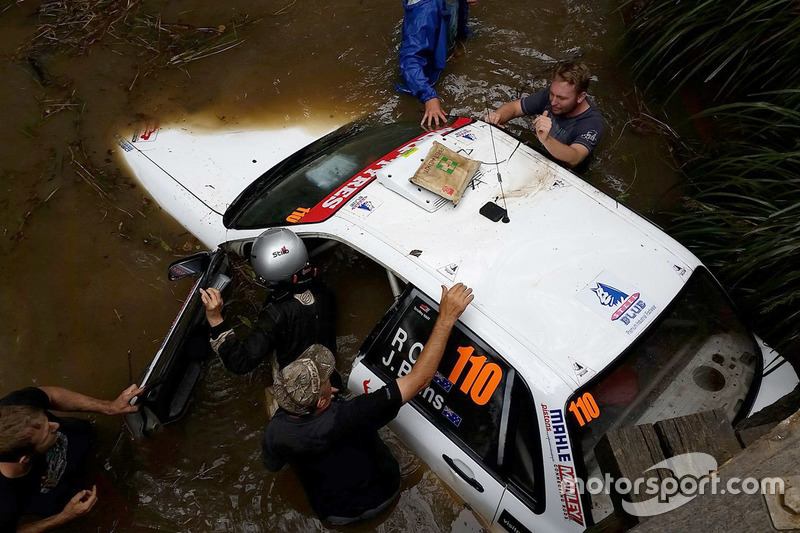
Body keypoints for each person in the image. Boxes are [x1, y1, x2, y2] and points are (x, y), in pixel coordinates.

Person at [261, 283, 474, 525]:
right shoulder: (354, 414)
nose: (333, 386)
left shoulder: (275, 433)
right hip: (386, 494)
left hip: (334, 515)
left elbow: (274, 466)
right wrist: (446, 319)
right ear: (321, 401)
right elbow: (420, 379)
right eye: (327, 384)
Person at [0, 384, 144, 532]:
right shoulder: (4, 498)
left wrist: (108, 407)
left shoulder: (13, 412)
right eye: (47, 432)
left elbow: (50, 395)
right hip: (62, 496)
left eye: (46, 420)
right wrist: (65, 516)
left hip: (83, 442)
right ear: (25, 459)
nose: (55, 425)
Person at [200, 228, 337, 379]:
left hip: (297, 389)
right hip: (330, 377)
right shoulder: (324, 292)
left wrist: (215, 318)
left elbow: (241, 362)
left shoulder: (275, 315)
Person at [485, 61, 604, 168]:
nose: (553, 102)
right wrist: (497, 116)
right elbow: (515, 107)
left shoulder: (592, 123)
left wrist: (546, 139)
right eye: (552, 94)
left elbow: (575, 157)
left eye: (562, 98)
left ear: (580, 97)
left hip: (566, 171)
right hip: (539, 156)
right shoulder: (552, 95)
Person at [397, 0, 477, 127]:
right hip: (423, 76)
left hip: (445, 48)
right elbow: (409, 60)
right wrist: (429, 97)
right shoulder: (424, 11)